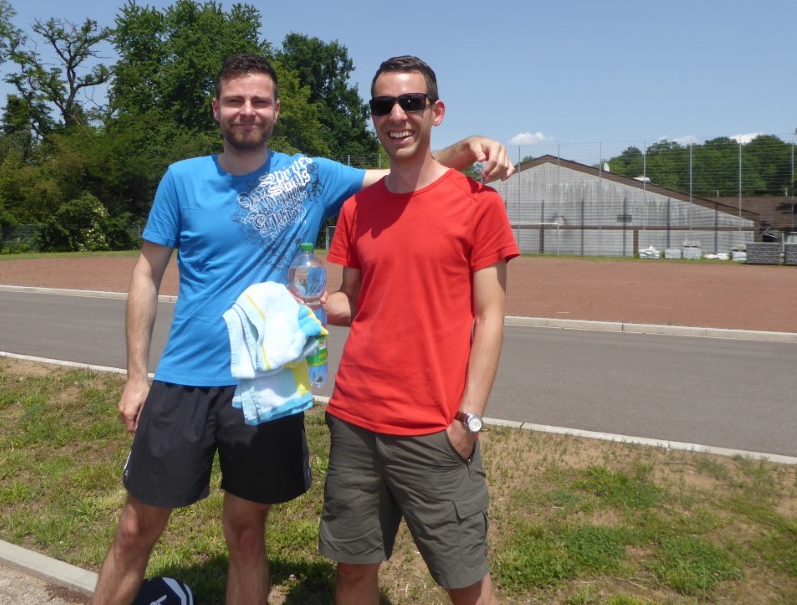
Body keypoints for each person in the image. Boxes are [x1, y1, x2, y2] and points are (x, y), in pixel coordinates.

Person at [91, 52, 514, 605]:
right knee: (133, 529)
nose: (247, 110)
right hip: (184, 379)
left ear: (276, 110)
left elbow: (403, 172)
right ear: (216, 109)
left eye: (259, 101)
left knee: (246, 533)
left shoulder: (310, 175)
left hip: (268, 383)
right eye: (235, 101)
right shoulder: (182, 179)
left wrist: (468, 146)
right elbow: (146, 274)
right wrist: (136, 375)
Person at [319, 55, 520, 605]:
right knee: (352, 572)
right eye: (383, 105)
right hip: (355, 421)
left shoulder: (478, 204)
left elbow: (491, 316)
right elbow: (350, 300)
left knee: (465, 582)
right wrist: (297, 305)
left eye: (411, 102)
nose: (397, 115)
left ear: (436, 111)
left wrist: (468, 418)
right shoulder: (357, 209)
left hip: (435, 428)